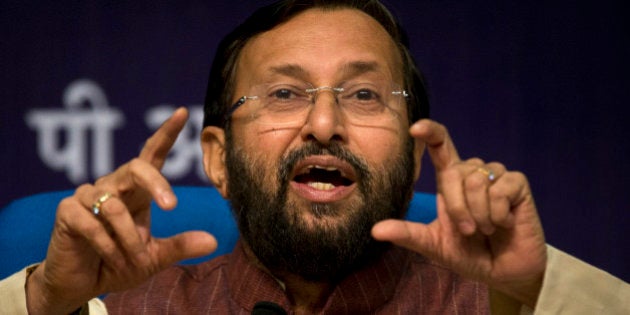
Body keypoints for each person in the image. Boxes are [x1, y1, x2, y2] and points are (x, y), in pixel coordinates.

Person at [1, 0, 628, 314]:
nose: (324, 125)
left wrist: (539, 288)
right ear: (215, 159)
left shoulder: (501, 305)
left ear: (414, 158)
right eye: (283, 94)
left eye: (362, 94)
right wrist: (46, 302)